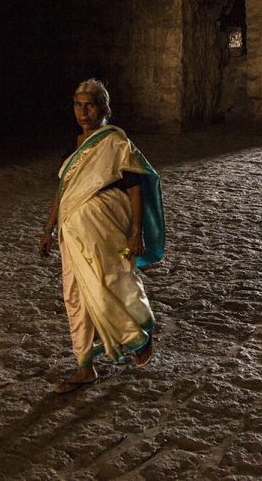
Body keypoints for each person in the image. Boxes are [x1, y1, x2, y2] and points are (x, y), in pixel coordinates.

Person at [39, 79, 165, 392]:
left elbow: (134, 188)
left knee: (111, 282)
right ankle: (85, 365)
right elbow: (63, 189)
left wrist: (136, 233)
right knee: (76, 294)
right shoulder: (75, 147)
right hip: (72, 232)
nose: (83, 111)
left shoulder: (115, 143)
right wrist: (48, 227)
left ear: (103, 108)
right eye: (78, 105)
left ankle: (138, 337)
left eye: (90, 105)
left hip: (106, 228)